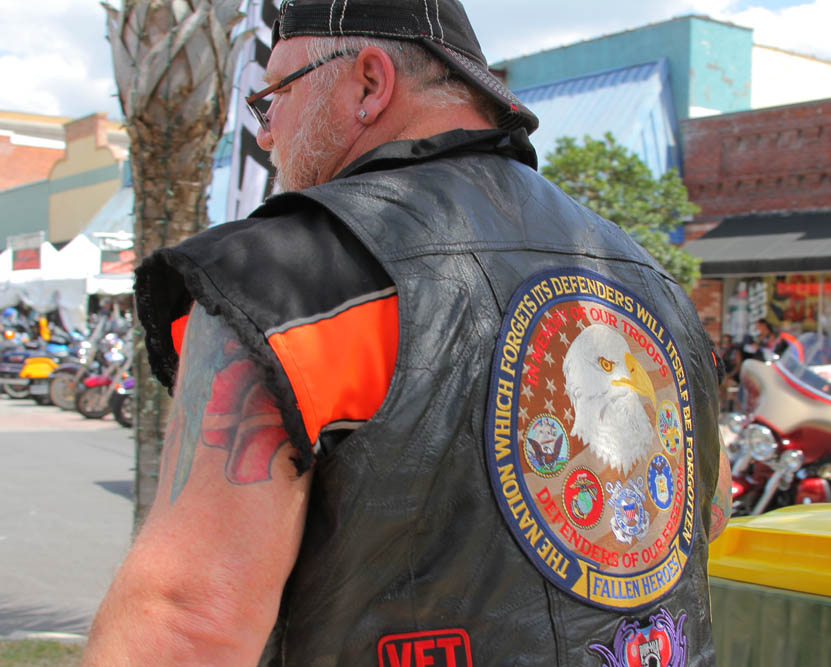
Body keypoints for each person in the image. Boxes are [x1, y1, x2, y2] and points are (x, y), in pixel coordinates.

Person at [84, 1, 730, 664]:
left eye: (272, 96)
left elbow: (189, 620)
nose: (266, 133)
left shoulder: (288, 277)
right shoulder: (654, 286)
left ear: (368, 82)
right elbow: (705, 518)